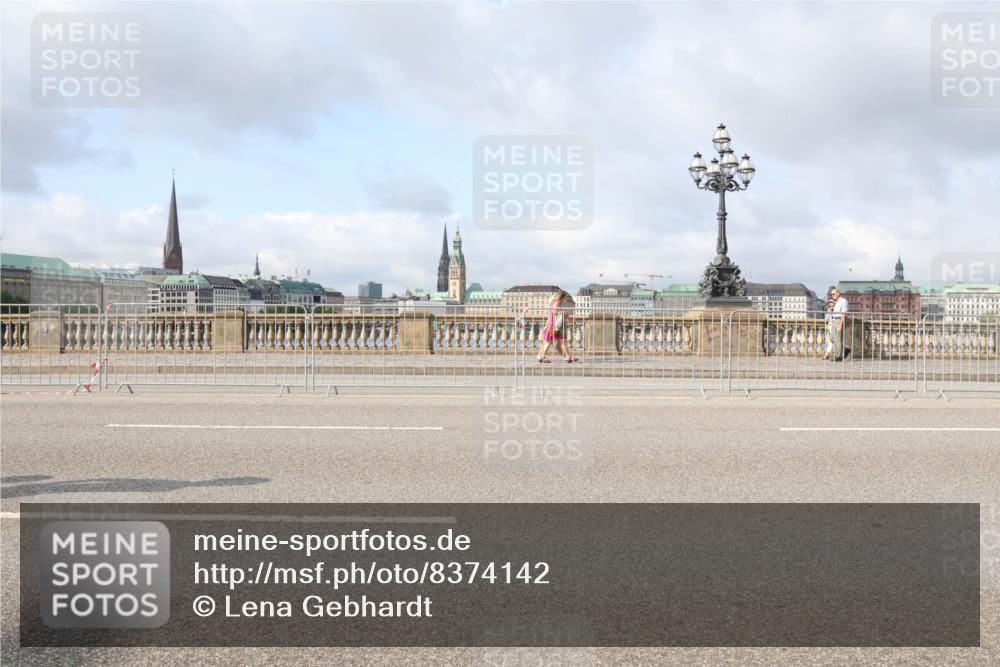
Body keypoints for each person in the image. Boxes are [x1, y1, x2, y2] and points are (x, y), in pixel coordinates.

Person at [537, 290, 578, 363]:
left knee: (559, 341)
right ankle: (542, 355)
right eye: (564, 298)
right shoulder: (557, 302)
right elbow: (555, 312)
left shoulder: (553, 302)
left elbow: (555, 312)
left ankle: (568, 356)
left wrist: (565, 315)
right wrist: (564, 312)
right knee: (550, 342)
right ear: (561, 297)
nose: (565, 300)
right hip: (554, 325)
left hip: (552, 324)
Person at [830, 288, 851, 361]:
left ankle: (838, 356)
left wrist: (840, 324)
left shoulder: (843, 301)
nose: (832, 295)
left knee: (838, 339)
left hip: (839, 320)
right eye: (831, 294)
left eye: (833, 294)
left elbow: (843, 313)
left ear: (838, 293)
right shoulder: (837, 302)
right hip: (835, 320)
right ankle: (845, 348)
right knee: (832, 338)